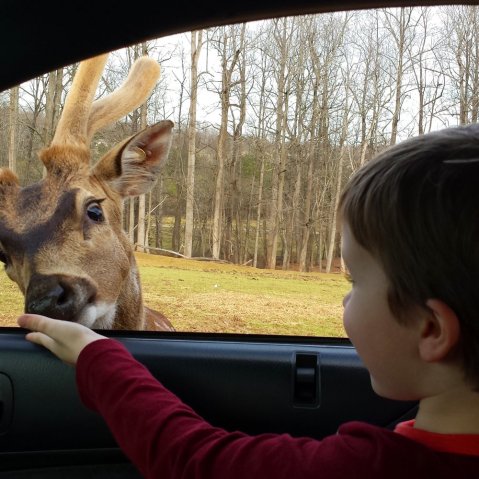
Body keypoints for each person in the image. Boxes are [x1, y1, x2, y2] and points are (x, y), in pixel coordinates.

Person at [17, 123, 479, 478]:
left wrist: (98, 356)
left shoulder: (370, 468)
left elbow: (193, 458)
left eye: (354, 281)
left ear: (430, 330)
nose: (343, 300)